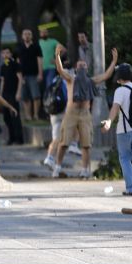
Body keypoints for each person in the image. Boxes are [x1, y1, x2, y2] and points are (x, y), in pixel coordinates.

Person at [51, 44, 117, 178]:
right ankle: (57, 168)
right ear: (76, 68)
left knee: (86, 144)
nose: (82, 67)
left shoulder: (91, 81)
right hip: (71, 113)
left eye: (84, 65)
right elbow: (60, 70)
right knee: (64, 142)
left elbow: (106, 76)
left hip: (85, 114)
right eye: (80, 66)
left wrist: (114, 61)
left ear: (87, 68)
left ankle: (85, 170)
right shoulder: (71, 79)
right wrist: (57, 56)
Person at [101, 63, 132, 195]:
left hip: (124, 131)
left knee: (125, 158)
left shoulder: (120, 91)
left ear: (119, 76)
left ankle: (131, 188)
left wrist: (109, 122)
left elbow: (115, 108)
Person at [16, 29, 44, 121]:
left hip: (34, 74)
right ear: (22, 36)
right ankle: (28, 115)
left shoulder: (36, 46)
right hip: (23, 76)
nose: (27, 36)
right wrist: (19, 75)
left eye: (29, 34)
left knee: (36, 96)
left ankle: (36, 115)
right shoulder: (19, 47)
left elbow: (39, 60)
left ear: (31, 36)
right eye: (25, 34)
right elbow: (17, 61)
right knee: (25, 97)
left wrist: (40, 74)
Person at [0, 47, 24, 145]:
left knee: (15, 115)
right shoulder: (3, 66)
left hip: (13, 93)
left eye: (7, 53)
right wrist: (0, 95)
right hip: (5, 94)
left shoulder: (16, 65)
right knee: (6, 117)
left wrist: (18, 92)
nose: (5, 55)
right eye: (3, 53)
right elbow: (2, 81)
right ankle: (11, 138)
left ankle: (19, 139)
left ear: (10, 54)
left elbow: (20, 79)